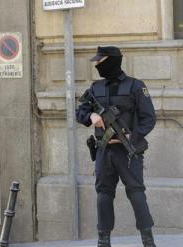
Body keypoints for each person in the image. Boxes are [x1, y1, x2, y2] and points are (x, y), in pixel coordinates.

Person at [76, 46, 157, 247]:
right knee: (103, 194)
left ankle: (148, 240)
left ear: (112, 61)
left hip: (128, 152)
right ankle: (103, 241)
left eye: (100, 62)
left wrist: (131, 136)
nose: (97, 66)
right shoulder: (96, 88)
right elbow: (81, 111)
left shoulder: (136, 86)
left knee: (136, 193)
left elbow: (149, 119)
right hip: (104, 151)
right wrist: (91, 116)